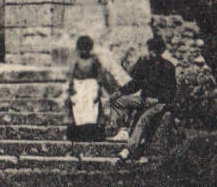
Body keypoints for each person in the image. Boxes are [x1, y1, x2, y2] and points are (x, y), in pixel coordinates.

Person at [112, 33, 177, 162]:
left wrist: (158, 100)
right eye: (150, 50)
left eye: (155, 51)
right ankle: (124, 130)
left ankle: (128, 149)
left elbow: (171, 90)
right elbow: (136, 83)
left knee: (144, 118)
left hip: (160, 103)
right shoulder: (146, 64)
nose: (152, 53)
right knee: (118, 102)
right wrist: (120, 92)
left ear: (161, 51)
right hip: (144, 100)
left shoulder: (168, 67)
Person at [64, 34, 115, 140]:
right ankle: (79, 131)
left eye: (86, 49)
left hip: (91, 86)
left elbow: (99, 74)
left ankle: (90, 130)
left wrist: (99, 86)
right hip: (79, 86)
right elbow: (71, 74)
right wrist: (71, 87)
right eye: (82, 49)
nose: (84, 52)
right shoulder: (76, 60)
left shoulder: (94, 60)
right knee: (79, 107)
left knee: (91, 108)